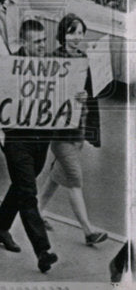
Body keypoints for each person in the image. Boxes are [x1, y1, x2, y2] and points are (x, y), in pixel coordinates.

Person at [0, 19, 59, 273]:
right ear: (23, 43)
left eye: (44, 40)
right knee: (28, 193)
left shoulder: (53, 66)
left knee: (23, 184)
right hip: (18, 138)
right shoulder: (8, 66)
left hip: (42, 137)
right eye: (37, 42)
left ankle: (1, 225)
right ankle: (43, 250)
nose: (43, 46)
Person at [37, 14, 108, 247]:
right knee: (74, 179)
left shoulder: (83, 57)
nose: (77, 37)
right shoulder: (54, 58)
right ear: (62, 35)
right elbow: (45, 92)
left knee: (57, 176)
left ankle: (36, 211)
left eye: (80, 32)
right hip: (60, 130)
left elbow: (90, 93)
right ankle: (88, 231)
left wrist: (85, 98)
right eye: (72, 32)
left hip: (78, 126)